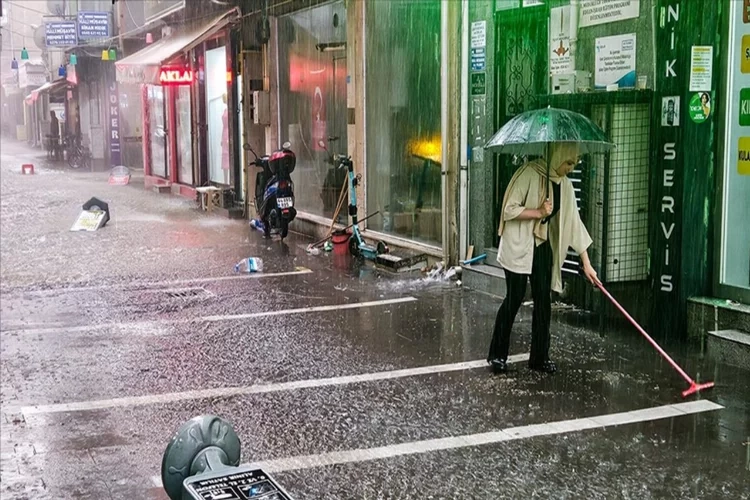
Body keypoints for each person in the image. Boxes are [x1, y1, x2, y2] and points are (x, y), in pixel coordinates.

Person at [487, 143, 600, 375]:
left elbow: (574, 223)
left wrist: (586, 262)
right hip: (519, 243)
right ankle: (497, 355)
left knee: (543, 301)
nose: (571, 167)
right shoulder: (528, 173)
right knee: (515, 297)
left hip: (542, 245)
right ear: (557, 156)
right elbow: (508, 209)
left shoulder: (565, 185)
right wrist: (538, 212)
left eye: (574, 163)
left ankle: (539, 357)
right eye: (568, 162)